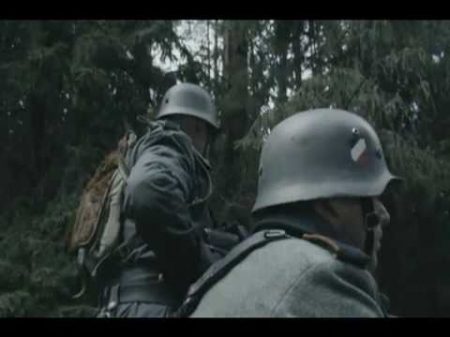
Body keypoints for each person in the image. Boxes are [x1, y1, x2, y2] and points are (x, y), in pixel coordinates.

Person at [183, 108, 400, 317]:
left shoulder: (238, 266)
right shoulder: (321, 275)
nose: (384, 215)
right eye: (369, 196)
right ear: (328, 205)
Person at [96, 83, 228, 317]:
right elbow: (148, 191)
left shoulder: (148, 153)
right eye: (207, 133)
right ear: (198, 127)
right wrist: (197, 260)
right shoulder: (171, 145)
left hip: (129, 305)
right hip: (152, 307)